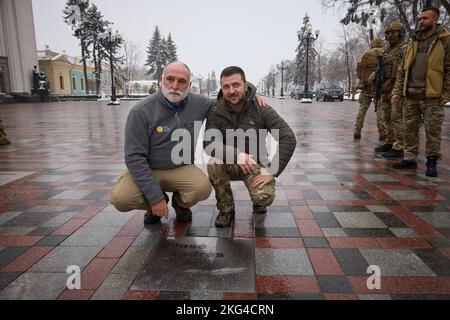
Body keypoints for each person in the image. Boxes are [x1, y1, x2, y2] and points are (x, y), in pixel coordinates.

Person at [111, 61, 267, 225]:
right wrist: (155, 198)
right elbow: (134, 158)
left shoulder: (200, 104)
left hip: (181, 167)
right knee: (121, 199)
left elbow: (230, 98)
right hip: (148, 169)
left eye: (182, 81)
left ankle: (179, 203)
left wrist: (250, 95)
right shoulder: (141, 111)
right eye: (170, 79)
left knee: (202, 188)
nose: (175, 85)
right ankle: (155, 202)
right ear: (161, 79)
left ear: (189, 84)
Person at [204, 66, 296, 228]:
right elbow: (210, 143)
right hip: (231, 162)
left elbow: (288, 137)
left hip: (255, 163)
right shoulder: (216, 111)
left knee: (264, 197)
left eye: (236, 85)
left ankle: (258, 202)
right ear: (222, 88)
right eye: (226, 87)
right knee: (214, 163)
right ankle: (226, 210)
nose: (231, 90)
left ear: (245, 86)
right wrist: (237, 155)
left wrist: (272, 170)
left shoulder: (261, 108)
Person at [391, 7, 450, 177]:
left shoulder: (444, 40)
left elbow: (448, 68)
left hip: (432, 95)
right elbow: (403, 69)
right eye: (419, 18)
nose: (421, 21)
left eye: (425, 18)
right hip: (411, 94)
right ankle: (409, 158)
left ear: (435, 20)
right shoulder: (413, 42)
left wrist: (446, 93)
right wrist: (397, 90)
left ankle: (432, 161)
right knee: (409, 128)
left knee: (432, 130)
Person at [374, 22, 407, 158]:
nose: (391, 35)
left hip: (396, 89)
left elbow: (405, 69)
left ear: (400, 33)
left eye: (394, 32)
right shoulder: (387, 51)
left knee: (397, 118)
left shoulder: (404, 48)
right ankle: (391, 141)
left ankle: (400, 145)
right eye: (388, 33)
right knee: (386, 117)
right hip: (385, 88)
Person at [354, 38, 386, 140]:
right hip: (379, 89)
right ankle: (382, 133)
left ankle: (357, 131)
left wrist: (363, 82)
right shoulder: (384, 54)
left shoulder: (366, 54)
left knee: (362, 111)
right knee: (381, 112)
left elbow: (359, 70)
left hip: (366, 88)